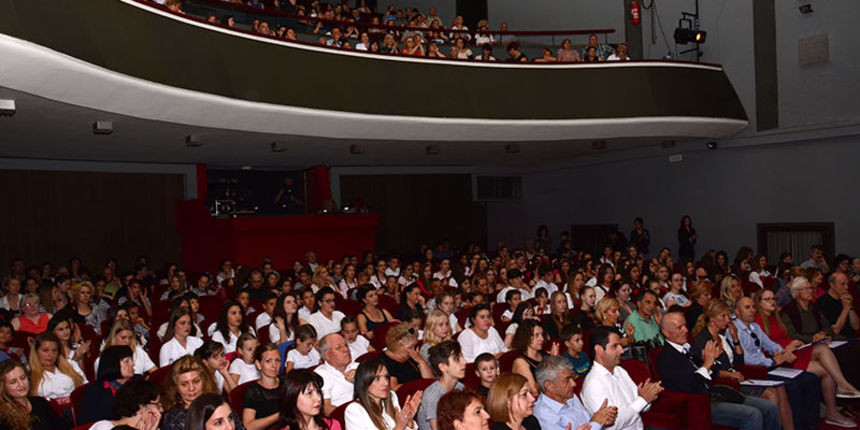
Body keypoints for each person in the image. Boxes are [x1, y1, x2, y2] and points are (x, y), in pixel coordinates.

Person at [657, 311, 779, 430]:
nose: (686, 330)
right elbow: (688, 386)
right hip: (698, 405)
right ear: (666, 332)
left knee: (769, 407)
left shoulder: (689, 348)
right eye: (679, 328)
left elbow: (713, 372)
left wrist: (712, 362)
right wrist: (707, 365)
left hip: (715, 394)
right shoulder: (665, 357)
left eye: (685, 325)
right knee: (753, 414)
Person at [691, 300, 795, 430]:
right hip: (723, 384)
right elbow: (709, 370)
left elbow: (739, 362)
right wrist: (731, 374)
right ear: (712, 319)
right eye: (723, 316)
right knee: (771, 396)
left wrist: (735, 340)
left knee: (778, 389)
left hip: (736, 379)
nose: (727, 319)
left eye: (727, 315)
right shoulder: (703, 340)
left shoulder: (722, 337)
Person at [733, 297, 835, 429]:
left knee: (811, 378)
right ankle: (796, 426)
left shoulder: (755, 326)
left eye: (753, 307)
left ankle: (809, 424)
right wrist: (773, 361)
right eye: (747, 308)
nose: (752, 310)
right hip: (755, 371)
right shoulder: (735, 331)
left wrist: (784, 352)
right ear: (737, 311)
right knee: (794, 385)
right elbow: (744, 358)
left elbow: (770, 345)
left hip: (769, 365)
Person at [582, 328, 662, 430]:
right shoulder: (594, 384)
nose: (621, 350)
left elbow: (640, 406)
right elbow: (611, 426)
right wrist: (643, 400)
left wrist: (648, 395)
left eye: (620, 345)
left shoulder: (619, 371)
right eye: (615, 346)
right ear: (599, 350)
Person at [160, 355, 238, 430]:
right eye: (184, 384)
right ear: (175, 387)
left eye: (196, 381)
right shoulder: (174, 419)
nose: (191, 388)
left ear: (204, 380)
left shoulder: (220, 404)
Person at [344, 357, 423, 430]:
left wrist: (408, 421)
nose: (385, 383)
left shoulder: (392, 397)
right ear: (364, 382)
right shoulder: (354, 410)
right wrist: (399, 427)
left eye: (386, 377)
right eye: (377, 378)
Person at [0, 360, 69, 430]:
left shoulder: (40, 402)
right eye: (13, 382)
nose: (21, 384)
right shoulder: (3, 417)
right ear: (3, 387)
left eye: (23, 378)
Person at [76, 345, 135, 424]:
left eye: (132, 360)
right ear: (113, 364)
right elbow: (87, 423)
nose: (132, 364)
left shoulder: (137, 384)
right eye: (127, 361)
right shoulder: (94, 391)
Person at [417, 340, 467, 430]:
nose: (464, 362)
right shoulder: (432, 395)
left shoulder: (460, 387)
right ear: (442, 367)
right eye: (457, 359)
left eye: (462, 356)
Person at [29, 332, 87, 399]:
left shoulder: (71, 365)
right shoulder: (29, 374)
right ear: (36, 352)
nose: (50, 355)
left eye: (54, 350)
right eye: (45, 350)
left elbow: (85, 387)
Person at [87, 379, 162, 430]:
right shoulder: (105, 427)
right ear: (142, 407)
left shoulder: (153, 427)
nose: (161, 409)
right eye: (157, 404)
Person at [381, 323, 433, 390]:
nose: (414, 350)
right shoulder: (384, 363)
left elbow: (431, 382)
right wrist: (418, 385)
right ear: (399, 346)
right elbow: (394, 388)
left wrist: (421, 361)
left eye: (415, 346)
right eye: (410, 347)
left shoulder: (411, 357)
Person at [315, 332, 358, 415]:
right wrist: (355, 414)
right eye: (339, 348)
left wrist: (361, 375)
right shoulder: (320, 375)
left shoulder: (357, 366)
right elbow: (326, 410)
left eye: (346, 345)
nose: (346, 349)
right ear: (327, 355)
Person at [243, 343, 283, 430]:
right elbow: (248, 426)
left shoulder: (286, 382)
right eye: (268, 361)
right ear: (258, 364)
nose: (274, 366)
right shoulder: (253, 391)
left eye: (277, 360)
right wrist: (279, 415)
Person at [511, 320, 555, 394]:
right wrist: (553, 360)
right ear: (525, 337)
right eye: (536, 335)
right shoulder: (520, 362)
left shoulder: (545, 354)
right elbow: (533, 390)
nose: (541, 339)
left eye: (542, 334)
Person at [817, 272, 859, 338]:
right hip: (837, 340)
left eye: (847, 284)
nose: (846, 287)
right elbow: (835, 331)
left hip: (851, 338)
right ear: (832, 285)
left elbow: (856, 326)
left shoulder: (845, 299)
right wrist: (845, 309)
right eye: (843, 284)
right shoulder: (823, 302)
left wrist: (850, 307)